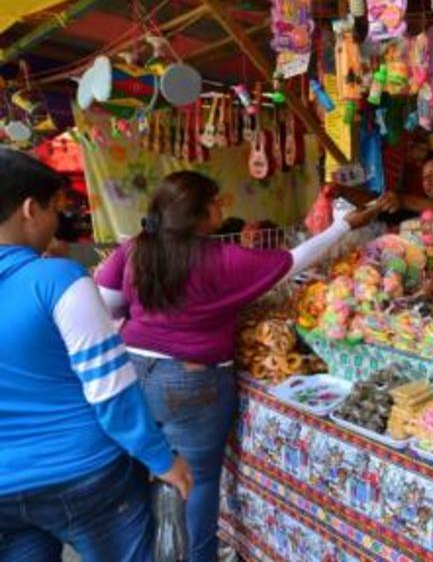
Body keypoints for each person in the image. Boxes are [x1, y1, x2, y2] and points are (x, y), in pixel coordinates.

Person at [94, 171, 373, 562]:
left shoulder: (136, 248)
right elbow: (294, 261)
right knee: (198, 479)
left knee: (145, 470)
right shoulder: (220, 258)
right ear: (200, 213)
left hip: (134, 371)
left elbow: (106, 304)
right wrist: (345, 225)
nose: (221, 209)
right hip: (192, 381)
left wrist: (149, 314)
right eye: (216, 202)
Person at [0, 149, 192, 561]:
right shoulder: (57, 280)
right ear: (30, 209)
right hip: (83, 476)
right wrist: (162, 460)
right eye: (54, 209)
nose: (57, 224)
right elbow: (111, 393)